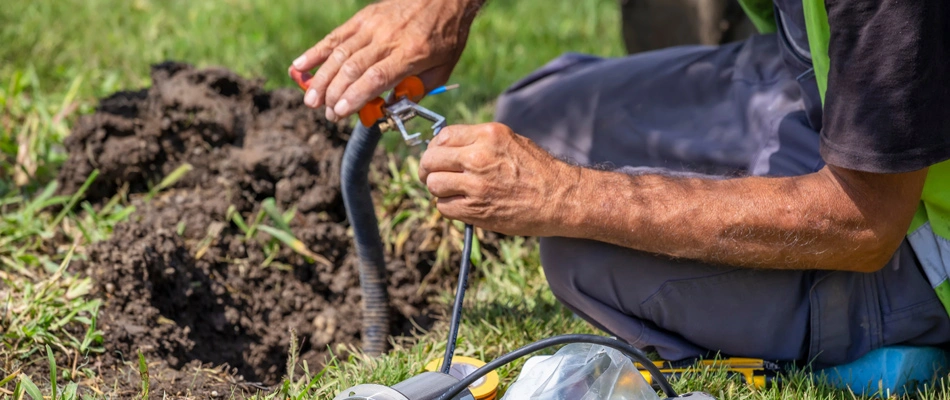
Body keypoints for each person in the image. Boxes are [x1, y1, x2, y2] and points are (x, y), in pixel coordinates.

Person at [290, 0, 950, 367]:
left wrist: (564, 195)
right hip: (824, 86)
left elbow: (861, 224)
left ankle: (881, 349)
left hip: (915, 239)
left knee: (585, 255)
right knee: (535, 117)